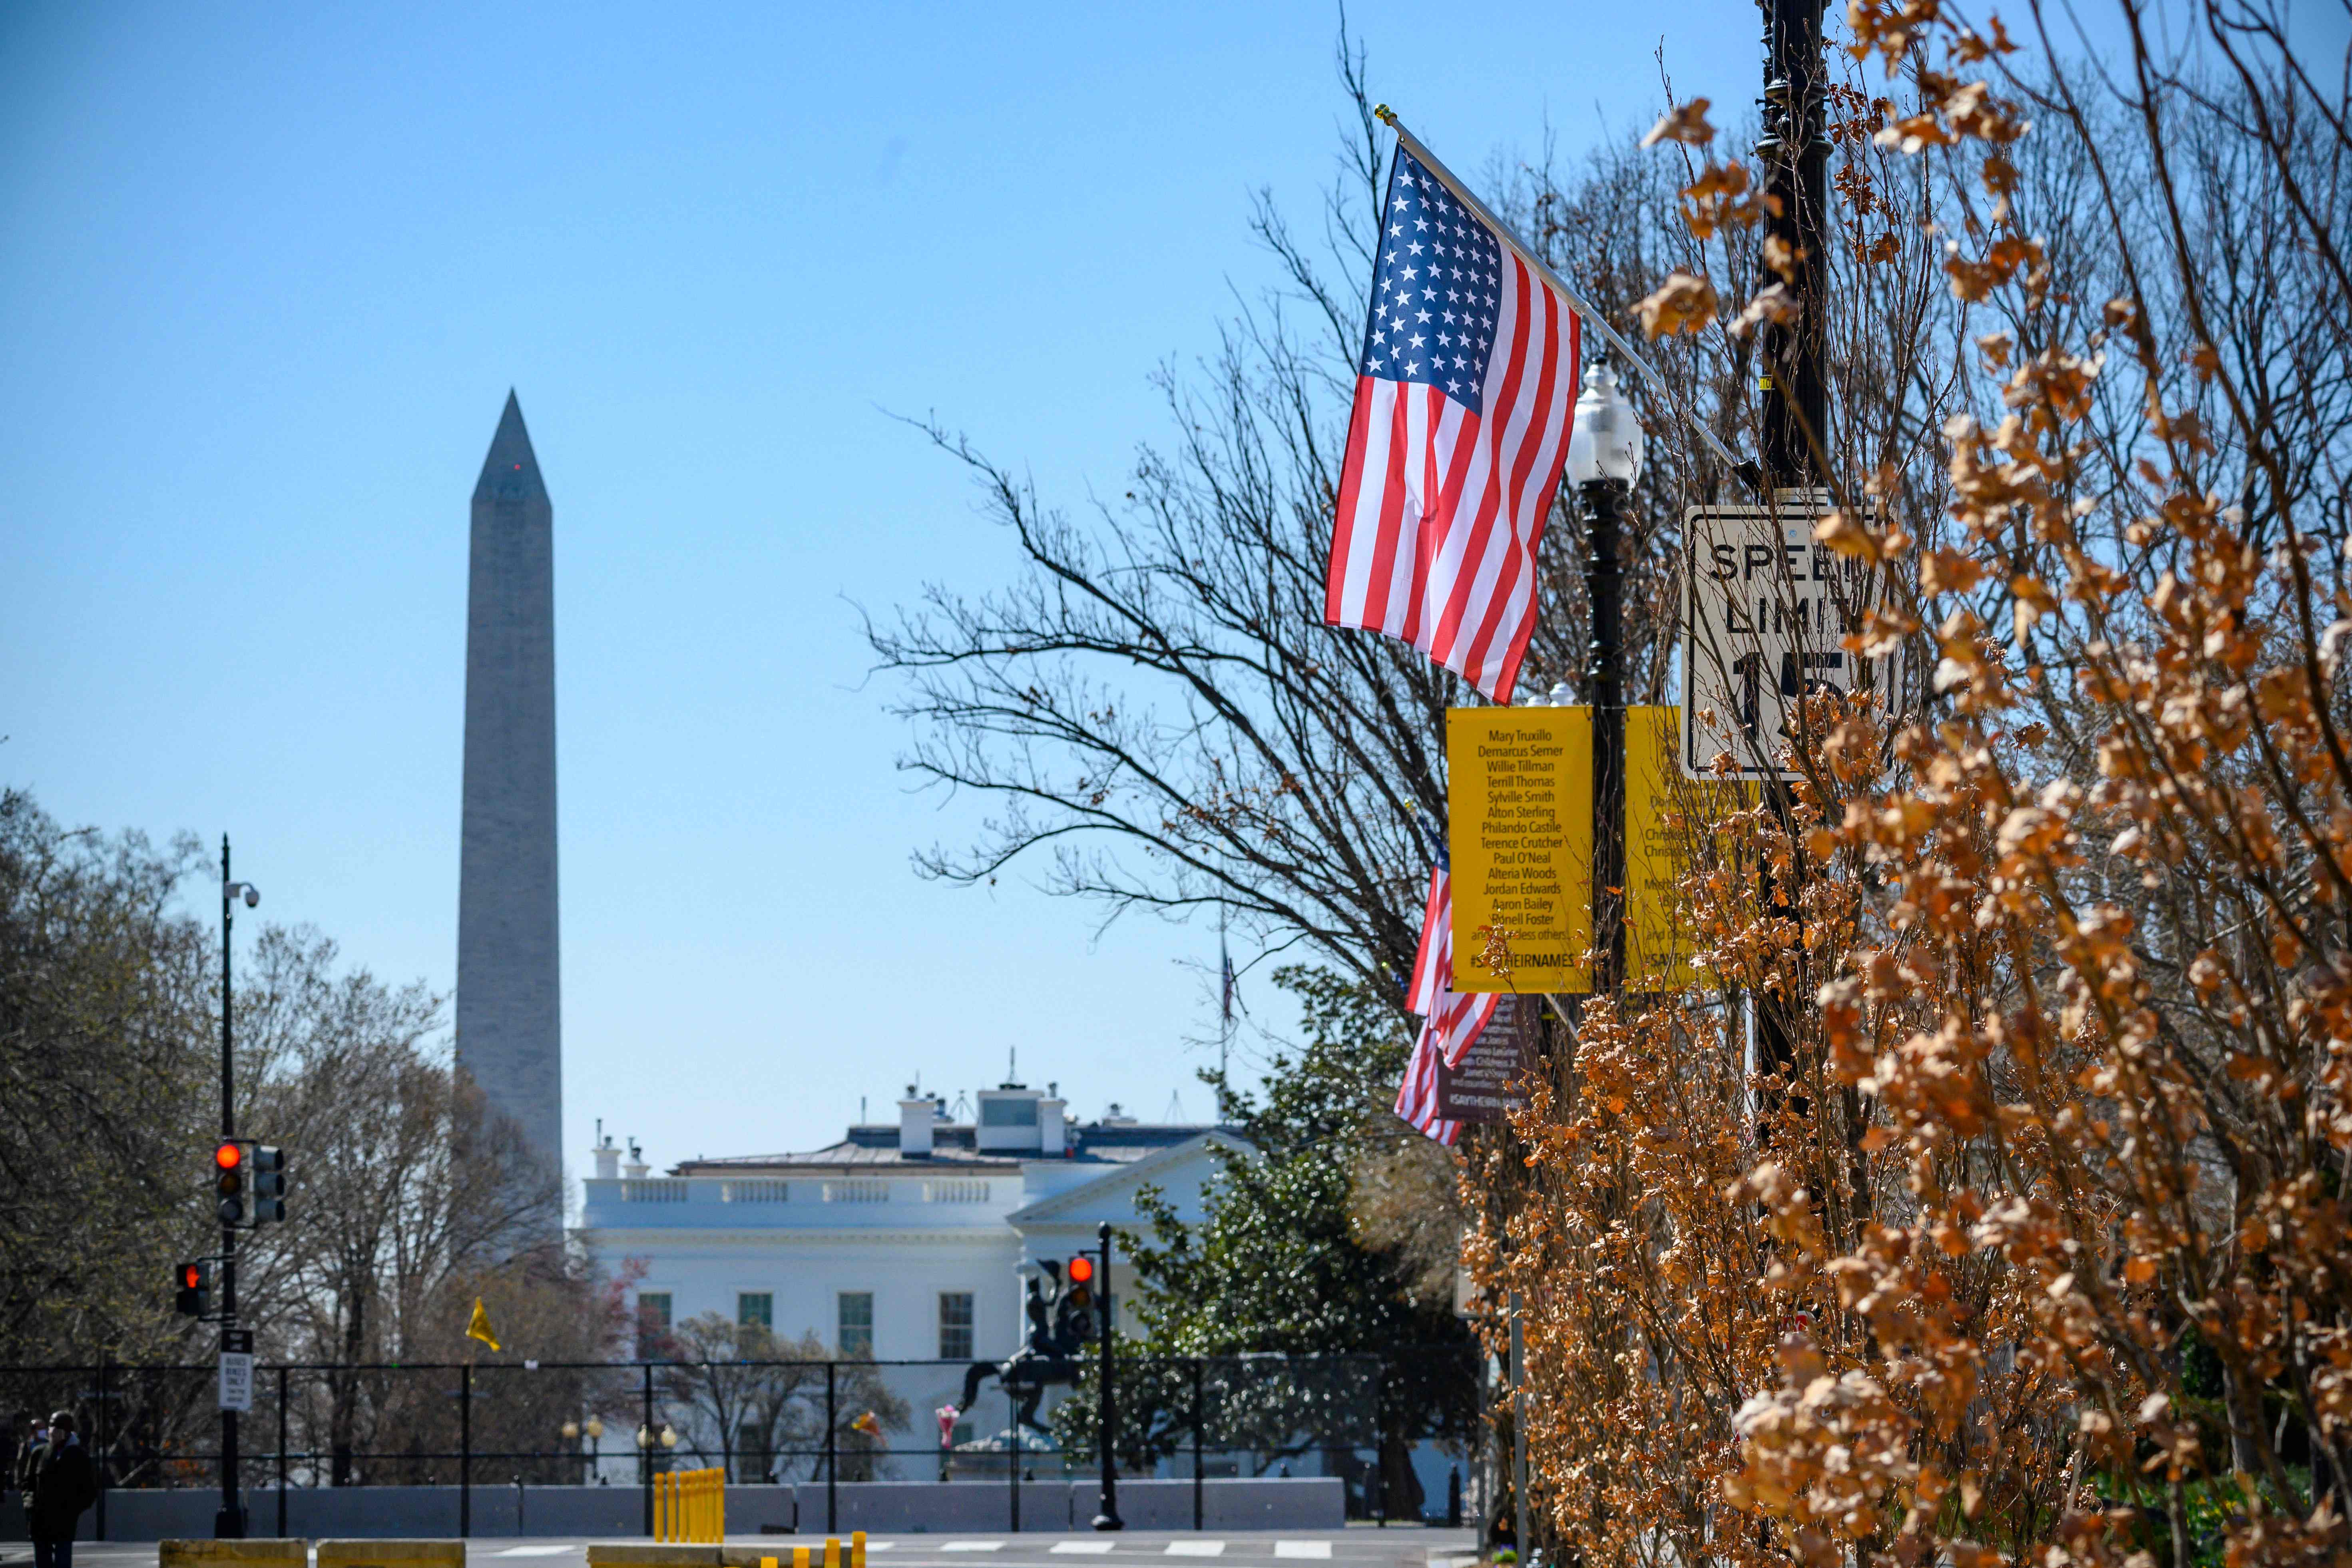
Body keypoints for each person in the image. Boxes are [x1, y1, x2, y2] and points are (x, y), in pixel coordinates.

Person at [17, 1409, 96, 1568]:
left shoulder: (78, 1456)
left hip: (64, 1524)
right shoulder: (39, 1453)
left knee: (62, 1562)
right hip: (40, 1522)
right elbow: (27, 1483)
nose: (52, 1433)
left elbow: (90, 1490)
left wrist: (72, 1510)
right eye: (51, 1428)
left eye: (57, 1429)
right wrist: (30, 1505)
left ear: (67, 1433)